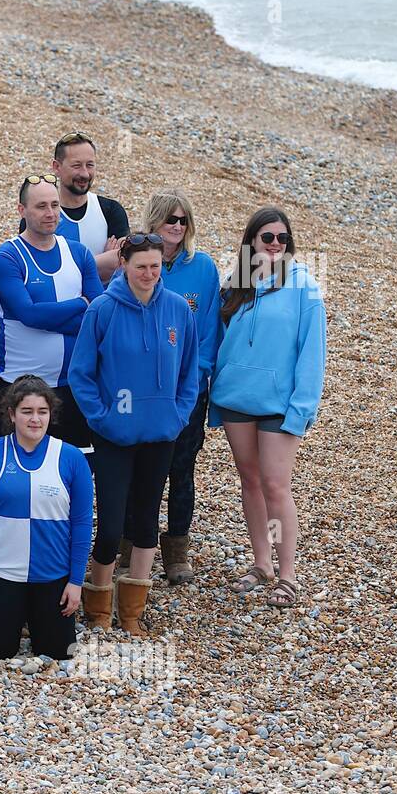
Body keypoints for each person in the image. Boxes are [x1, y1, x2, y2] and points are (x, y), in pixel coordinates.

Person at [68, 234, 199, 637]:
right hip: (115, 435)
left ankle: (132, 612)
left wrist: (176, 416)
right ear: (123, 263)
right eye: (141, 265)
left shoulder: (178, 309)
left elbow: (190, 372)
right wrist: (103, 418)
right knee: (110, 524)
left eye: (155, 266)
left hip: (161, 433)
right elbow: (81, 373)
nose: (149, 274)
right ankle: (98, 605)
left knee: (145, 520)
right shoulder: (103, 310)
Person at [210, 206, 326, 609]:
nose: (276, 244)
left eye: (282, 238)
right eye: (267, 237)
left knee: (276, 486)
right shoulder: (234, 283)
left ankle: (288, 573)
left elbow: (312, 354)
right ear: (253, 241)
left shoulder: (305, 286)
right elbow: (220, 342)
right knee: (250, 481)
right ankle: (261, 564)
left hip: (279, 405)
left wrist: (302, 409)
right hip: (235, 399)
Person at [122, 190, 221, 583]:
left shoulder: (204, 268)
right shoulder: (137, 263)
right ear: (154, 221)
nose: (176, 227)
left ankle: (177, 547)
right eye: (169, 219)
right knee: (137, 469)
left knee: (182, 469)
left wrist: (194, 380)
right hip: (143, 390)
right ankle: (129, 543)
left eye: (182, 221)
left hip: (188, 391)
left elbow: (209, 331)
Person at [0, 376, 93, 661]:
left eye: (42, 412)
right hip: (0, 570)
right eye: (27, 411)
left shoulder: (71, 458)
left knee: (58, 651)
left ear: (51, 414)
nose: (35, 419)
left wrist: (75, 582)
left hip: (52, 573)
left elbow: (82, 525)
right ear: (11, 414)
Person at [0, 173, 104, 445]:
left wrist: (44, 316)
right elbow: (29, 314)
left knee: (72, 470)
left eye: (54, 205)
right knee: (11, 473)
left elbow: (99, 315)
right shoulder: (6, 256)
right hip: (19, 385)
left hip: (71, 385)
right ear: (22, 210)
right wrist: (80, 303)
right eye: (41, 206)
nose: (50, 213)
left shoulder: (79, 253)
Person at [46, 132, 130, 283]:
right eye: (76, 165)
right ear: (57, 167)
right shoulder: (42, 216)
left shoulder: (111, 210)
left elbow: (124, 263)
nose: (85, 173)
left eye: (90, 165)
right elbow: (42, 271)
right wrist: (101, 262)